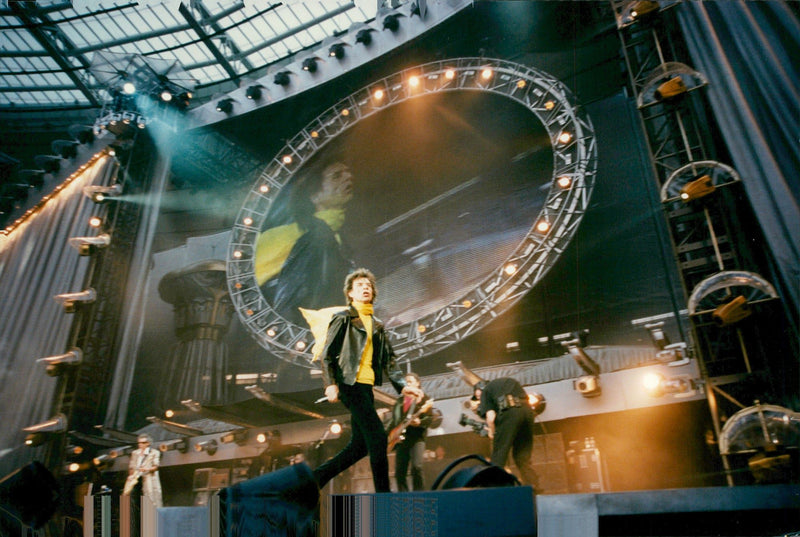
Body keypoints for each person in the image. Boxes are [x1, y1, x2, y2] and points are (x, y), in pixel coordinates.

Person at [313, 268, 422, 492]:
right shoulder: (343, 318)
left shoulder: (377, 324)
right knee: (378, 439)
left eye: (369, 285)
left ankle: (314, 479)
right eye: (360, 285)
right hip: (348, 384)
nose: (366, 288)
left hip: (365, 388)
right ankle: (384, 496)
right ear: (350, 294)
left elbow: (389, 360)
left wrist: (403, 387)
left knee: (359, 446)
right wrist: (330, 383)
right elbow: (327, 353)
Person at [256, 159, 356, 324]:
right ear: (314, 196)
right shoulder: (282, 235)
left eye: (348, 173)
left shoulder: (338, 239)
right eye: (337, 176)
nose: (349, 177)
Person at [472, 378, 540, 490]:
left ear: (480, 389)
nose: (479, 399)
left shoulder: (486, 392)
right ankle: (533, 486)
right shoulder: (502, 385)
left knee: (498, 455)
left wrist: (493, 433)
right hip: (527, 412)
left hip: (510, 412)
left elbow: (491, 418)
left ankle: (495, 490)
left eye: (478, 396)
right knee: (522, 456)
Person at [388, 372, 434, 492]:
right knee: (399, 471)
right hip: (401, 439)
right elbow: (395, 421)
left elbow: (430, 418)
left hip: (417, 437)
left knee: (417, 466)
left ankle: (419, 494)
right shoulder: (400, 401)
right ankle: (403, 496)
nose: (408, 384)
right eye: (406, 382)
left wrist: (420, 422)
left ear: (418, 383)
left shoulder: (425, 399)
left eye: (410, 381)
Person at [122, 434, 163, 508]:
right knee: (131, 495)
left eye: (143, 443)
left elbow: (156, 466)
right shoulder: (135, 453)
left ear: (148, 443)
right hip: (136, 478)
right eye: (139, 443)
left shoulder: (154, 452)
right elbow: (131, 466)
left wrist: (146, 469)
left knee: (150, 496)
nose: (140, 445)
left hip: (148, 477)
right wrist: (131, 475)